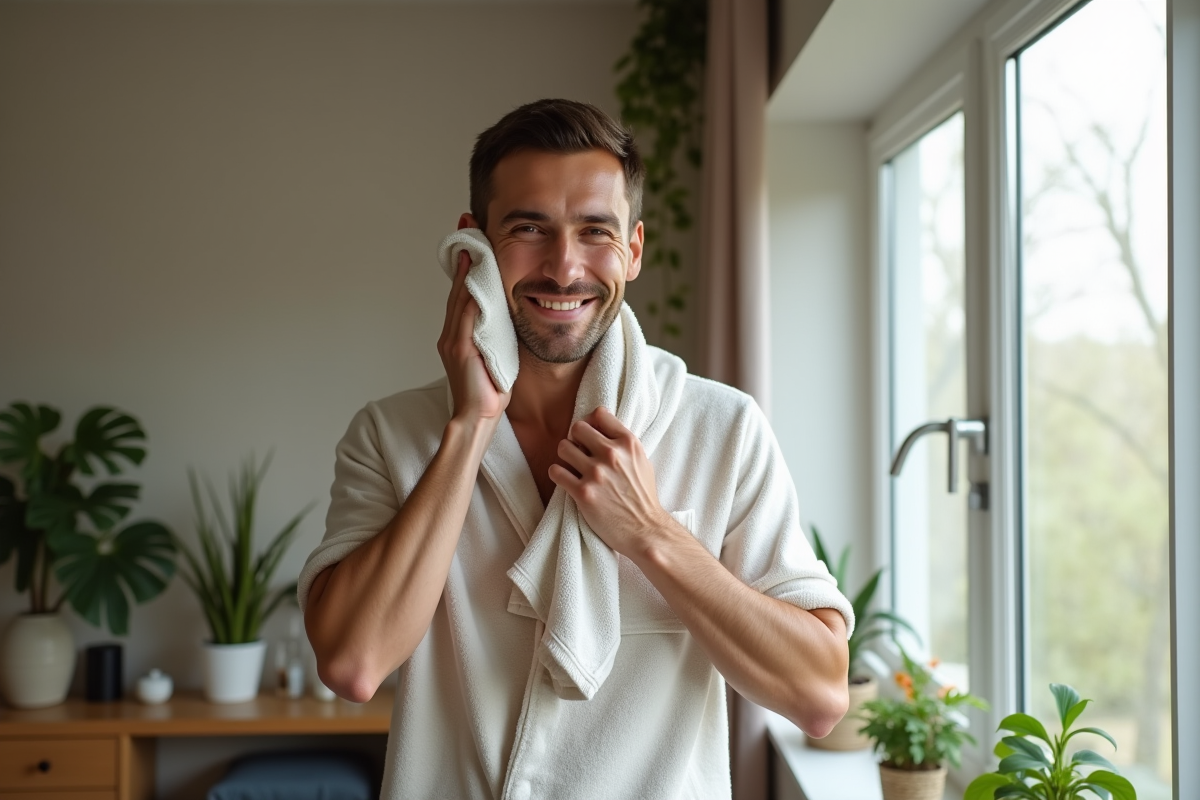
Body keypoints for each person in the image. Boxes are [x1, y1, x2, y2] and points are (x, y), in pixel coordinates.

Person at [299, 99, 852, 800]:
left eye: (596, 231)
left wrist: (651, 534)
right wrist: (469, 427)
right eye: (530, 228)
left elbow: (818, 694)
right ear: (473, 243)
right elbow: (353, 664)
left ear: (634, 249)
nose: (564, 269)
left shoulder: (724, 428)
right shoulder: (392, 435)